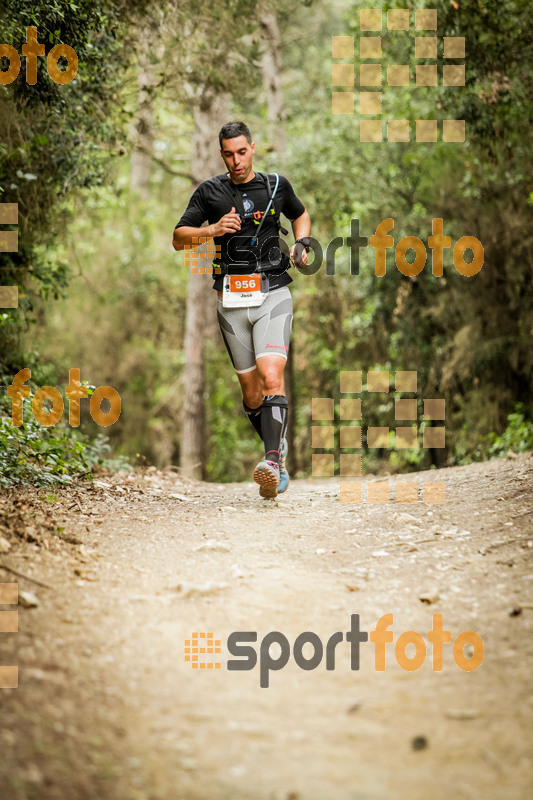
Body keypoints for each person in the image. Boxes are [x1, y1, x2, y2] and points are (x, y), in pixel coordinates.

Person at [172, 121, 311, 498]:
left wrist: (302, 243)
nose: (236, 161)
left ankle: (271, 462)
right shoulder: (210, 192)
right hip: (231, 302)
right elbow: (178, 238)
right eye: (229, 154)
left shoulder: (276, 186)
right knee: (251, 395)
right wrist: (213, 230)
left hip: (273, 294)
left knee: (271, 378)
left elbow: (300, 214)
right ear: (222, 155)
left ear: (253, 148)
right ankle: (276, 454)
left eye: (242, 152)